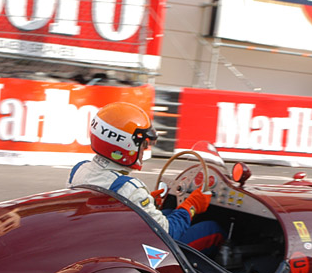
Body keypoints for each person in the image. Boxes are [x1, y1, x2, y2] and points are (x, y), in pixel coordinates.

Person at [69, 101, 224, 254]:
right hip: (140, 250)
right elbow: (168, 234)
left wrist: (143, 203)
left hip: (105, 240)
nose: (144, 149)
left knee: (169, 210)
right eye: (142, 144)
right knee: (213, 228)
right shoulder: (129, 188)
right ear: (126, 145)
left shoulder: (78, 170)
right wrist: (191, 206)